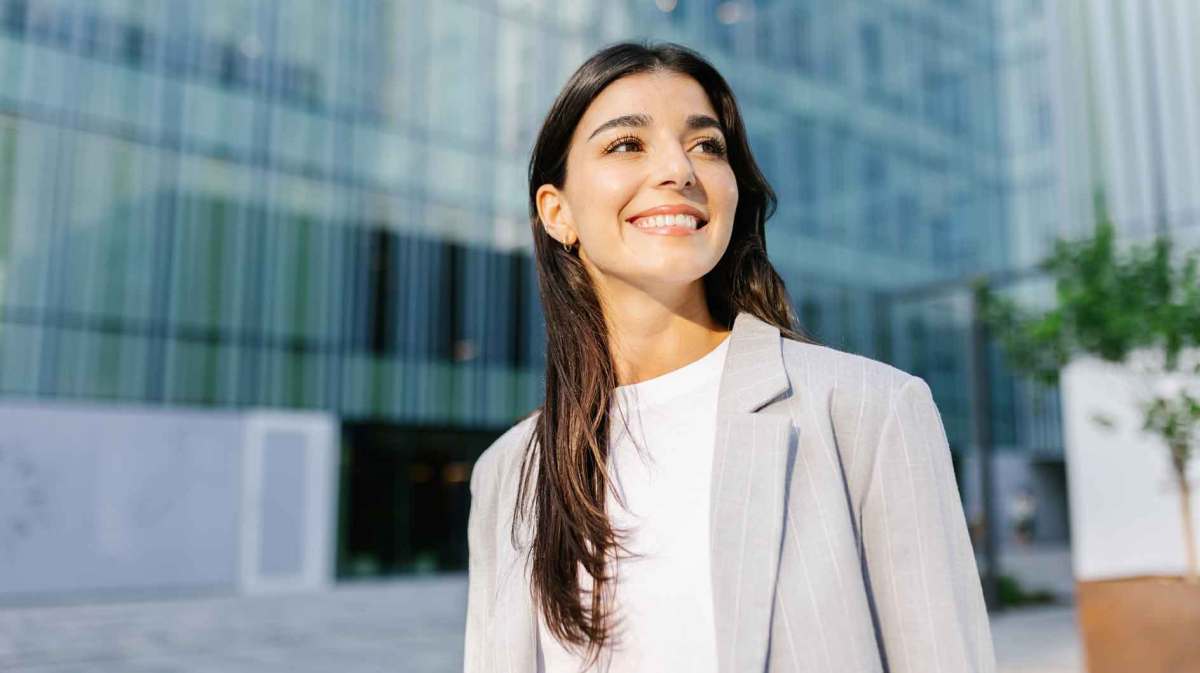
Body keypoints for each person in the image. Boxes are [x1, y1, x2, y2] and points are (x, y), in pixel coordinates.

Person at [463, 40, 996, 673]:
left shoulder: (867, 411)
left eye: (706, 146)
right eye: (626, 145)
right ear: (558, 213)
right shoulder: (508, 472)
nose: (678, 171)